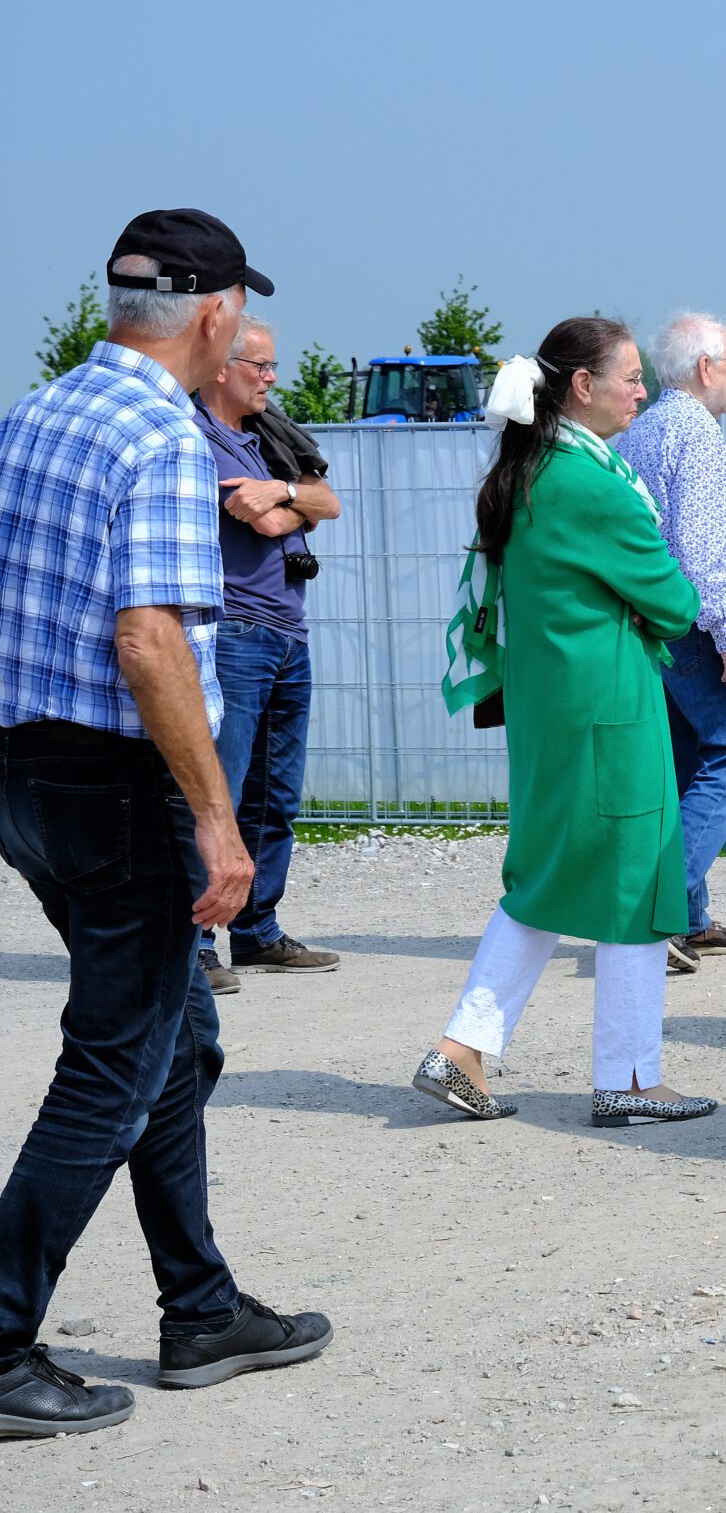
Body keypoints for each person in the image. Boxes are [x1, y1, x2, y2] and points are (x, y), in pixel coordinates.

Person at [0, 210, 332, 1439]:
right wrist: (218, 822)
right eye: (243, 312)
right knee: (115, 1061)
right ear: (214, 312)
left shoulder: (35, 414)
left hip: (27, 775)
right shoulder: (162, 438)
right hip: (117, 786)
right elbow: (149, 643)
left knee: (175, 1043)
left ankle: (199, 1308)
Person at [414, 318, 718, 1130]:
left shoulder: (533, 470)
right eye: (630, 377)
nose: (642, 391)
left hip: (550, 710)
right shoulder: (594, 485)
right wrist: (646, 605)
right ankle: (628, 1078)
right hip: (612, 714)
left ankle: (463, 1047)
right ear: (583, 386)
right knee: (638, 884)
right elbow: (676, 602)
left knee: (546, 879)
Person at [188, 311, 344, 992]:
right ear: (222, 366)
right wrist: (290, 505)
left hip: (286, 633)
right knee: (218, 791)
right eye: (261, 366)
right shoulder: (198, 438)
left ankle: (256, 930)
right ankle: (194, 944)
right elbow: (266, 518)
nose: (272, 379)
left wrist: (283, 491)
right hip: (236, 633)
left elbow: (323, 502)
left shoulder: (264, 438)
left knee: (274, 795)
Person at [621, 313, 726, 974]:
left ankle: (691, 916)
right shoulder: (698, 433)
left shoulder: (642, 430)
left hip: (661, 621)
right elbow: (702, 553)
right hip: (704, 620)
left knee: (685, 765)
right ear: (706, 368)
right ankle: (665, 911)